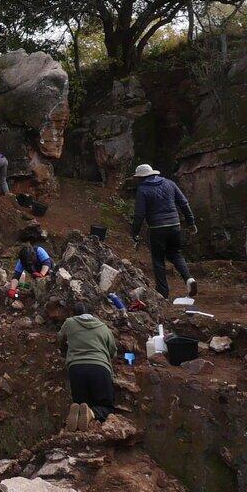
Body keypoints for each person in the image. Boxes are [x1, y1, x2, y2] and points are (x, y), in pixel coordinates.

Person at [129, 163, 197, 300]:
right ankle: (189, 279)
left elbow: (139, 214)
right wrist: (191, 222)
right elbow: (184, 203)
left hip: (157, 228)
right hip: (174, 225)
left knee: (158, 259)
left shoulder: (142, 189)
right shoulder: (169, 183)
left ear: (141, 177)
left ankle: (163, 293)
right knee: (176, 254)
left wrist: (134, 233)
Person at [59, 302, 117, 417]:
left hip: (76, 368)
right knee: (106, 407)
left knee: (81, 404)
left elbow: (60, 338)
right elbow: (112, 352)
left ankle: (81, 420)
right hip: (99, 368)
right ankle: (92, 414)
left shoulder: (69, 323)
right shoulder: (103, 327)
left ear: (74, 314)